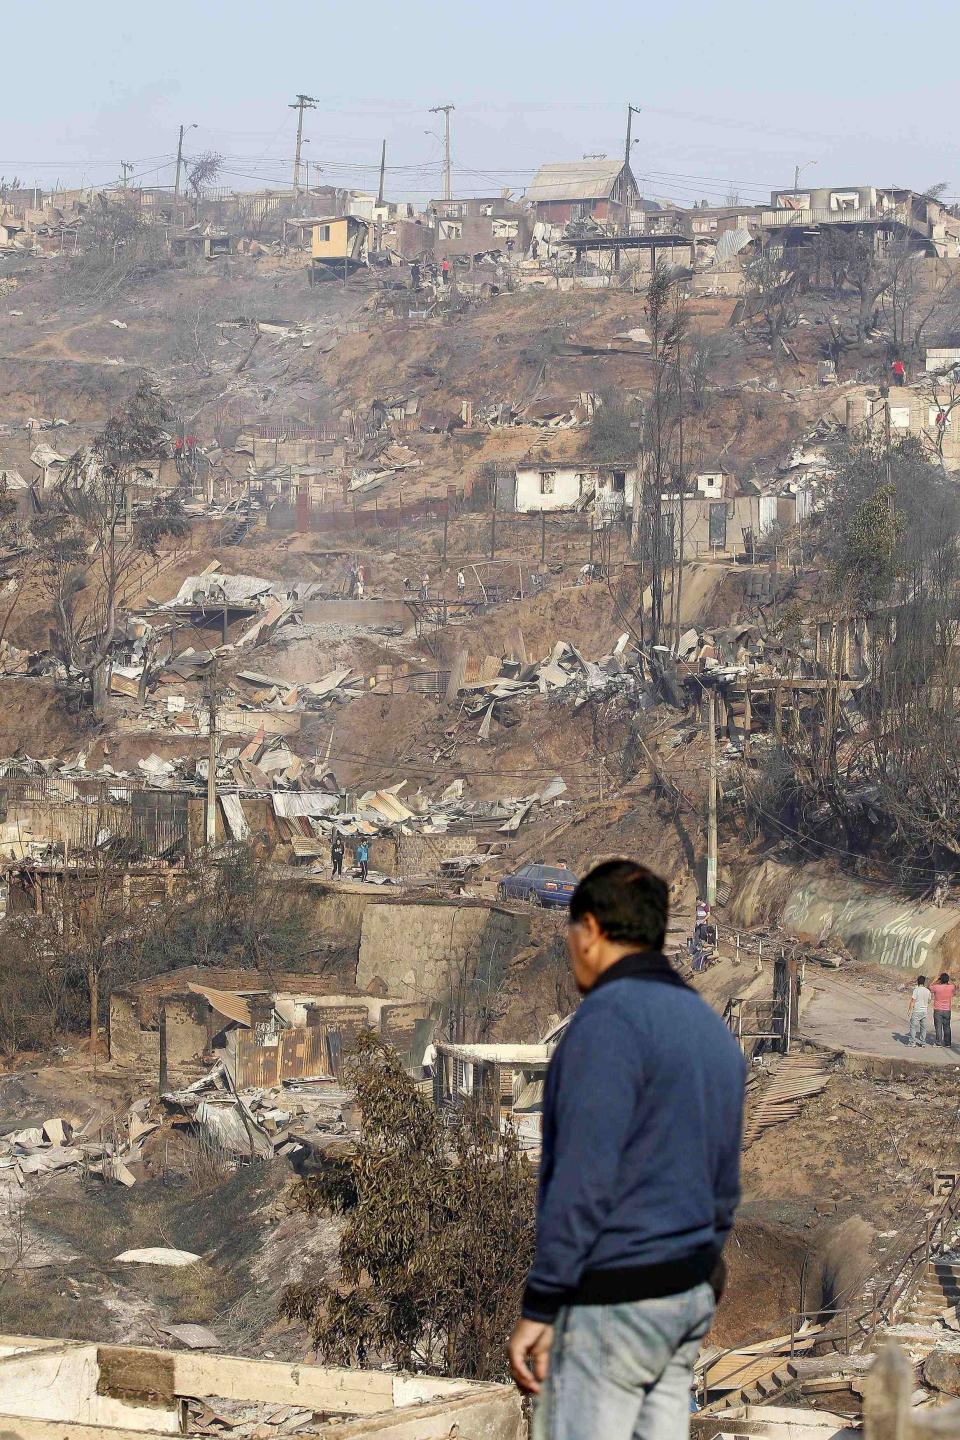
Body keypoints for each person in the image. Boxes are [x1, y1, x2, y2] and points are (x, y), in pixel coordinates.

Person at [508, 859, 746, 1440]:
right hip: (685, 1297)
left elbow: (581, 1180)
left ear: (590, 931)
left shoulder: (606, 1024)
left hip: (616, 1300)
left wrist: (542, 1303)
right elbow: (724, 1186)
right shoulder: (711, 1031)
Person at [930, 972, 956, 1048]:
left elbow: (930, 986)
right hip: (947, 1010)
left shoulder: (936, 987)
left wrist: (937, 979)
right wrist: (949, 980)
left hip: (938, 1009)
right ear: (947, 980)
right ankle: (948, 1043)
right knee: (947, 1027)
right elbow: (955, 986)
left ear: (940, 980)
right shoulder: (951, 987)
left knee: (938, 1027)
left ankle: (938, 1043)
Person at [908, 974, 932, 1048]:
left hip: (916, 1011)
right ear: (924, 982)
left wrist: (909, 1010)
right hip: (924, 1011)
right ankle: (922, 1042)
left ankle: (912, 1042)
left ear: (918, 982)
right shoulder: (927, 991)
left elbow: (913, 1001)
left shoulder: (916, 990)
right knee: (923, 1028)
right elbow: (929, 1001)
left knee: (913, 1027)